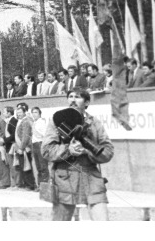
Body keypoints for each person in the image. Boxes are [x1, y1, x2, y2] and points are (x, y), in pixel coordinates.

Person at [42, 88, 114, 221]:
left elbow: (108, 151)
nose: (73, 100)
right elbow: (46, 150)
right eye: (70, 96)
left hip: (91, 177)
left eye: (78, 97)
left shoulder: (95, 123)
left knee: (103, 221)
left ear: (87, 102)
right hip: (65, 177)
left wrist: (88, 150)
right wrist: (69, 150)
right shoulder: (57, 120)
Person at [13, 103, 34, 189]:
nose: (18, 114)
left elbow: (25, 136)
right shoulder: (20, 121)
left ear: (25, 112)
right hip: (20, 147)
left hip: (25, 148)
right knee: (23, 165)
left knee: (27, 166)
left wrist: (21, 148)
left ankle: (30, 185)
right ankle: (26, 184)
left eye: (20, 112)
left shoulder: (25, 122)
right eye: (17, 113)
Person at [29, 106, 48, 189]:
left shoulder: (41, 122)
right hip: (34, 144)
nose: (34, 114)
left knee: (43, 165)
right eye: (33, 112)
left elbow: (43, 135)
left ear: (40, 113)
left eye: (36, 112)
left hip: (40, 143)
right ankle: (40, 184)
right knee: (38, 166)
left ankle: (44, 185)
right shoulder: (35, 122)